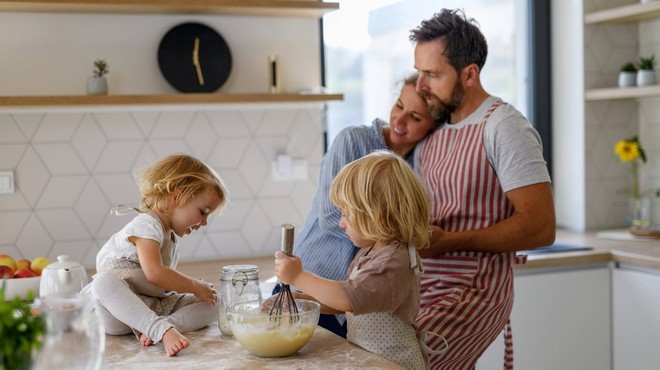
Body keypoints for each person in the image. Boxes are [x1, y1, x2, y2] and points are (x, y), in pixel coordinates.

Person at [409, 9, 556, 369]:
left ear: (470, 73)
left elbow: (541, 227)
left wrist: (451, 241)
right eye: (418, 72)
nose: (419, 86)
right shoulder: (435, 132)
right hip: (424, 288)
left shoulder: (503, 126)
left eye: (432, 74)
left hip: (476, 290)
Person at [289, 72, 441, 337]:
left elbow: (352, 297)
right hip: (317, 278)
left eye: (415, 117)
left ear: (434, 125)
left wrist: (381, 238)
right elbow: (329, 217)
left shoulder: (385, 258)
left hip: (337, 294)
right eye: (399, 106)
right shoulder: (353, 140)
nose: (400, 120)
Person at [274, 150, 431, 369]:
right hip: (371, 360)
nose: (341, 223)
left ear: (376, 214)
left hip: (393, 364)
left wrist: (299, 276)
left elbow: (349, 299)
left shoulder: (391, 263)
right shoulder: (371, 252)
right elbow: (351, 305)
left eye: (346, 214)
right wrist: (302, 301)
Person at [82, 154, 228, 357]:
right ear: (178, 196)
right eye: (203, 212)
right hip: (119, 311)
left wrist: (198, 291)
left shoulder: (168, 235)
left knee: (215, 303)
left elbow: (159, 284)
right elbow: (154, 274)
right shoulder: (147, 225)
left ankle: (164, 325)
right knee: (103, 283)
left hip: (153, 306)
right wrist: (194, 285)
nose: (204, 222)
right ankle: (161, 330)